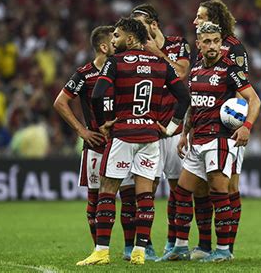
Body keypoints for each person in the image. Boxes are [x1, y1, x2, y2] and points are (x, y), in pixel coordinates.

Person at [76, 17, 190, 266]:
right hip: (150, 136)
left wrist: (106, 122)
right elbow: (184, 97)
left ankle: (101, 251)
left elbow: (97, 94)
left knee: (107, 190)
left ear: (130, 38)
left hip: (123, 134)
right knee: (145, 195)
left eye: (116, 35)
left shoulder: (115, 62)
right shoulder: (161, 64)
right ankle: (139, 251)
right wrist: (171, 127)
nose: (113, 40)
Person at [157, 22, 260, 262]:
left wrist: (246, 127)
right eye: (207, 41)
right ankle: (181, 247)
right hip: (197, 140)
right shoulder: (194, 70)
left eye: (216, 41)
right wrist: (184, 133)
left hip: (219, 140)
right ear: (199, 44)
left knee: (218, 191)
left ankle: (223, 250)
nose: (213, 46)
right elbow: (193, 105)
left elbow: (254, 100)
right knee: (181, 193)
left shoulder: (230, 69)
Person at [54, 26, 137, 258]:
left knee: (129, 198)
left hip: (122, 142)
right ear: (104, 47)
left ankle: (130, 248)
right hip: (96, 144)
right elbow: (60, 102)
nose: (119, 44)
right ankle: (98, 249)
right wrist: (82, 130)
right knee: (96, 198)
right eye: (115, 40)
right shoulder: (85, 74)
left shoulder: (122, 69)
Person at [189, 0, 252, 259]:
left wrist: (239, 122)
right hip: (204, 128)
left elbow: (242, 89)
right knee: (202, 188)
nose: (195, 21)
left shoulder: (234, 48)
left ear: (214, 18)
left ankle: (227, 248)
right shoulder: (204, 46)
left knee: (229, 187)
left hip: (228, 129)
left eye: (200, 16)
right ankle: (205, 245)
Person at [130, 3, 191, 255]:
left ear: (154, 24)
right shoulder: (137, 50)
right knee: (147, 190)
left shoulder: (178, 44)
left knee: (178, 191)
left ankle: (174, 243)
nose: (137, 31)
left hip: (174, 129)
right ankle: (145, 245)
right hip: (151, 130)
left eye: (141, 25)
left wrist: (158, 53)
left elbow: (181, 74)